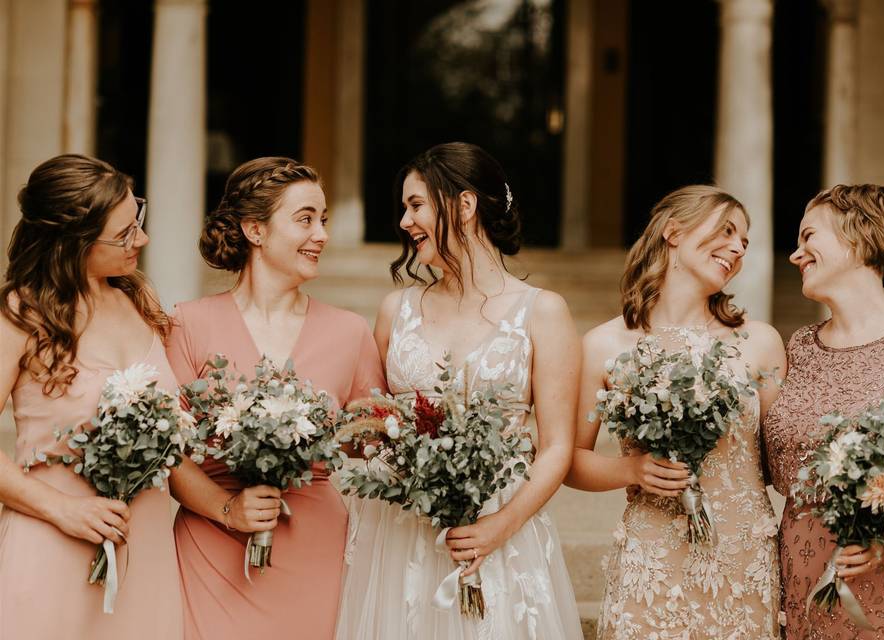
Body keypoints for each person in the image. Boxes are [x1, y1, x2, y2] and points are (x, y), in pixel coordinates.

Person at [336, 142, 584, 639]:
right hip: (403, 533)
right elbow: (365, 421)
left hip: (499, 529)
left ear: (464, 206)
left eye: (416, 205)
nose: (405, 221)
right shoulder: (396, 309)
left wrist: (500, 525)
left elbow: (557, 447)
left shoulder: (543, 312)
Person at [165, 157, 385, 640]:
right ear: (255, 230)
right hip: (211, 545)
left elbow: (374, 445)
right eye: (305, 219)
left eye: (323, 220)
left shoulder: (350, 332)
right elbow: (170, 455)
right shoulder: (188, 323)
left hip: (314, 546)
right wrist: (227, 509)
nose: (321, 234)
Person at [566, 185, 784, 638]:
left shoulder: (759, 342)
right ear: (673, 231)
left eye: (745, 241)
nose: (738, 247)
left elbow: (785, 459)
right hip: (652, 558)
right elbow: (571, 462)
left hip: (743, 557)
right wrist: (634, 470)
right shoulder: (603, 345)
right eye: (727, 230)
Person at [764, 184, 884, 638]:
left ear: (859, 237)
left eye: (808, 237)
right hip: (804, 579)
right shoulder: (800, 348)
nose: (796, 255)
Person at [0, 154, 182, 639]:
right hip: (54, 542)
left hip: (145, 544)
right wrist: (62, 509)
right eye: (123, 234)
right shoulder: (21, 314)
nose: (140, 239)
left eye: (136, 220)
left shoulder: (140, 303)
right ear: (72, 242)